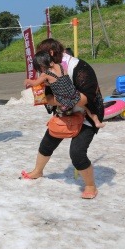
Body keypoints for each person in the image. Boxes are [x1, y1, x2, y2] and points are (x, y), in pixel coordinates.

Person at [21, 38, 103, 200]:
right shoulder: (50, 68)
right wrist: (51, 98)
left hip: (87, 113)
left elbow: (85, 99)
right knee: (48, 141)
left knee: (77, 153)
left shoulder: (79, 67)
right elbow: (48, 96)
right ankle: (38, 171)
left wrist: (59, 98)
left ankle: (90, 185)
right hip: (65, 111)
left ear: (51, 53)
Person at [26, 51, 105, 129]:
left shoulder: (45, 74)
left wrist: (28, 81)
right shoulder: (60, 66)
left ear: (41, 65)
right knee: (87, 108)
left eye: (39, 68)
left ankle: (62, 116)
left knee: (50, 101)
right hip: (74, 95)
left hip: (63, 99)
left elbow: (35, 83)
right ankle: (97, 122)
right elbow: (60, 81)